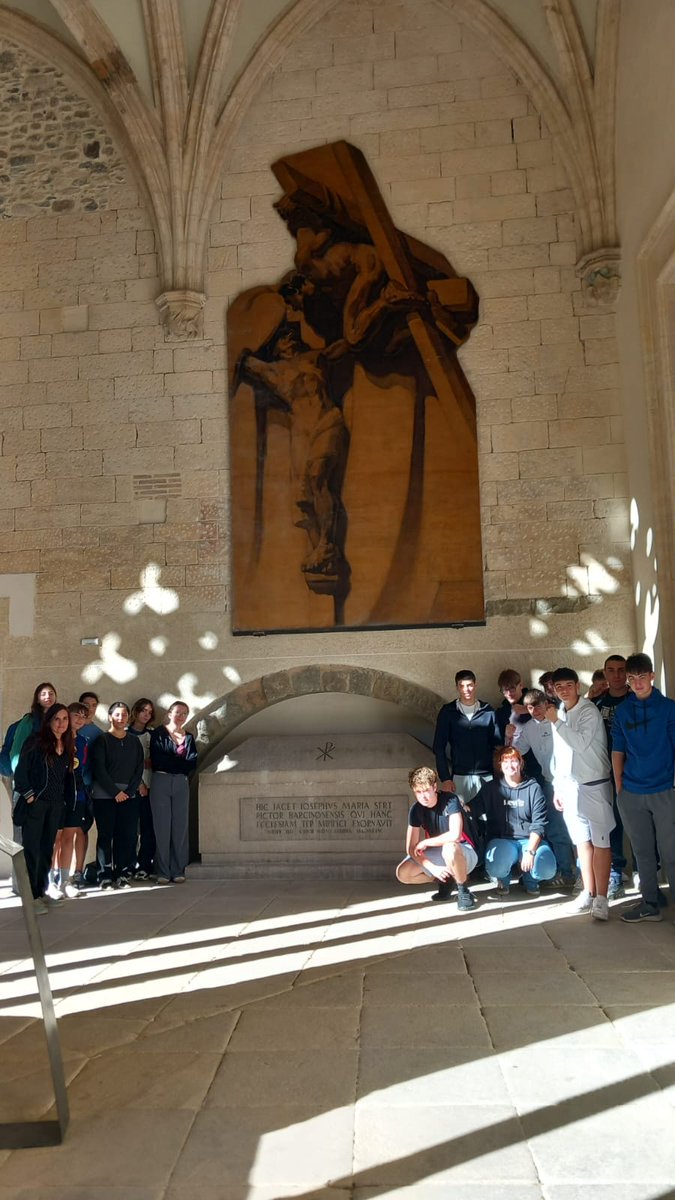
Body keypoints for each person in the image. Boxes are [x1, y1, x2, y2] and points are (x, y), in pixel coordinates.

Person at [546, 667, 615, 920]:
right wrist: (558, 785)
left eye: (568, 685)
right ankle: (588, 892)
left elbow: (580, 743)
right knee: (581, 842)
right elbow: (560, 753)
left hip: (594, 784)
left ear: (577, 686)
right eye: (559, 687)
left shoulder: (588, 711)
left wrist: (556, 722)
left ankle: (602, 899)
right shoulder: (560, 711)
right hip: (570, 786)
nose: (564, 690)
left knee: (601, 842)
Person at [611, 653, 675, 923]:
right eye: (632, 678)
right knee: (643, 851)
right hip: (632, 791)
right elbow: (618, 750)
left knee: (671, 851)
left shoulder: (669, 708)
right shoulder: (623, 711)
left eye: (641, 677)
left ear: (652, 676)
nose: (637, 683)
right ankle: (650, 902)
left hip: (664, 789)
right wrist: (620, 787)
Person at [510, 689, 576, 887]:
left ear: (546, 704)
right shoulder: (529, 728)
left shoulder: (558, 719)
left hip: (570, 781)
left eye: (538, 706)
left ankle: (578, 874)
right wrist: (508, 739)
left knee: (574, 829)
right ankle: (564, 873)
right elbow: (517, 751)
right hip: (549, 782)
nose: (535, 711)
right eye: (530, 708)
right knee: (555, 829)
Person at [13, 703, 74, 915]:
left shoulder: (67, 745)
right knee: (32, 850)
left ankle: (41, 891)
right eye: (56, 719)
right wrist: (31, 798)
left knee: (47, 849)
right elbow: (21, 773)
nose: (61, 723)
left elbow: (66, 778)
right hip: (36, 805)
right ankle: (31, 896)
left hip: (55, 806)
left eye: (64, 719)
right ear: (48, 721)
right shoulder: (35, 742)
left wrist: (66, 803)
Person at [473, 747, 556, 896]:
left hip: (529, 840)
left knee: (547, 869)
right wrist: (459, 806)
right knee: (496, 867)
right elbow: (473, 808)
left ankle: (530, 880)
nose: (510, 765)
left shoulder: (533, 788)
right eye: (505, 762)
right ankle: (503, 880)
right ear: (500, 765)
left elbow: (539, 824)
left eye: (513, 761)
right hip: (502, 840)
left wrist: (530, 851)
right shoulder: (491, 788)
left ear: (520, 763)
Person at [395, 766, 478, 911]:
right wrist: (432, 868)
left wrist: (426, 842)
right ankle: (445, 879)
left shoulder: (450, 800)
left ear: (434, 787)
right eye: (418, 792)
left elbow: (455, 835)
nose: (423, 796)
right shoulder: (416, 810)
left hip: (463, 851)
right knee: (403, 873)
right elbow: (411, 848)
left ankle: (463, 890)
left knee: (449, 848)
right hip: (438, 853)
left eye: (426, 790)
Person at [90, 702, 144, 889]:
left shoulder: (134, 741)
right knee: (105, 835)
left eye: (124, 715)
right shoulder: (102, 740)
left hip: (128, 797)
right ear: (110, 717)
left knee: (126, 836)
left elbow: (139, 769)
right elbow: (99, 769)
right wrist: (115, 792)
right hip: (105, 797)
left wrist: (128, 792)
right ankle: (104, 875)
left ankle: (122, 873)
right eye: (117, 715)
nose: (121, 718)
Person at [592, 654, 631, 899]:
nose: (616, 675)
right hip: (604, 773)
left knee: (639, 825)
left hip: (635, 772)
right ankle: (615, 872)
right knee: (612, 824)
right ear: (605, 673)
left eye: (621, 670)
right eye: (611, 670)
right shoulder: (597, 703)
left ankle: (644, 871)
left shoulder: (636, 698)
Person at [432, 670, 499, 804]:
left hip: (486, 775)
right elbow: (439, 747)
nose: (466, 689)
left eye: (469, 685)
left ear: (475, 685)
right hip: (459, 776)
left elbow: (497, 746)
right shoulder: (448, 712)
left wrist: (499, 776)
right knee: (460, 814)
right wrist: (445, 778)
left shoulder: (488, 711)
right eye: (461, 686)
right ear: (457, 687)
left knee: (487, 815)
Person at [149, 701, 198, 884]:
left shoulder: (189, 737)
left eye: (185, 714)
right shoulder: (158, 734)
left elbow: (191, 762)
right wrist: (179, 763)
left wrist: (176, 763)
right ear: (170, 713)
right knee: (162, 827)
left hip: (181, 783)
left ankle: (178, 869)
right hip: (161, 780)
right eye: (178, 712)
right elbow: (158, 759)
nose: (181, 717)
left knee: (180, 826)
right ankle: (162, 870)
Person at [51, 702, 93, 896]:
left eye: (84, 716)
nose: (79, 719)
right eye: (76, 715)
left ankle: (65, 881)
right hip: (57, 794)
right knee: (55, 839)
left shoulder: (83, 741)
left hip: (77, 794)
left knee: (70, 836)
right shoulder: (58, 737)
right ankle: (50, 880)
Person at [128, 698, 155, 879]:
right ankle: (129, 864)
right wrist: (139, 783)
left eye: (150, 712)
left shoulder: (152, 735)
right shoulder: (126, 734)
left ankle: (145, 865)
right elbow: (127, 764)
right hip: (132, 788)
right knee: (130, 829)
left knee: (148, 828)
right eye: (143, 710)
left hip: (151, 786)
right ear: (136, 711)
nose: (146, 714)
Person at [495, 669, 531, 744]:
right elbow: (499, 744)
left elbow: (548, 711)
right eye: (505, 690)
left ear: (521, 685)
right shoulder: (501, 713)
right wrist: (507, 736)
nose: (509, 693)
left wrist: (527, 709)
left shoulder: (535, 699)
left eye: (512, 689)